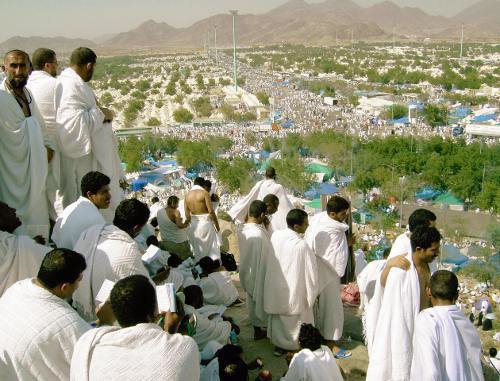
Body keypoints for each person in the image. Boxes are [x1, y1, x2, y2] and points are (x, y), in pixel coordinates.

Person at [71, 275, 200, 381]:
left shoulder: (87, 343)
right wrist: (170, 330)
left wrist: (102, 321)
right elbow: (173, 360)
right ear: (155, 312)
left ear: (115, 313)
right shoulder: (186, 347)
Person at [0, 249, 98, 380]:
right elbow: (93, 364)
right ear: (64, 287)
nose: (79, 285)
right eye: (79, 280)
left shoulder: (17, 288)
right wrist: (105, 322)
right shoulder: (69, 324)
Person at [55, 47, 124, 220]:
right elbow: (73, 125)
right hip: (82, 159)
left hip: (89, 157)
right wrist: (102, 114)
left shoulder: (77, 84)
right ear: (89, 65)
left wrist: (101, 112)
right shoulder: (71, 86)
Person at [365, 226, 442, 381]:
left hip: (423, 329)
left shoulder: (429, 266)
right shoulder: (400, 272)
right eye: (434, 250)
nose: (437, 254)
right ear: (419, 249)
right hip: (402, 332)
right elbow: (394, 313)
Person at [72, 198, 152, 322]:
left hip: (82, 308)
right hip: (107, 317)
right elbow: (145, 289)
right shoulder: (127, 249)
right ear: (136, 228)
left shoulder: (91, 232)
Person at [0, 50, 50, 232]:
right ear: (4, 68)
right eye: (13, 66)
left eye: (23, 65)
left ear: (29, 68)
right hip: (10, 181)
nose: (18, 70)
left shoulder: (29, 95)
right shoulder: (1, 99)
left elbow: (39, 129)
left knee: (40, 233)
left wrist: (44, 152)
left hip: (35, 178)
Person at [410, 270, 484, 381]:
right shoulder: (468, 324)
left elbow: (428, 373)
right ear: (457, 294)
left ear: (428, 291)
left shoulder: (428, 319)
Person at [264, 209, 319, 354]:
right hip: (295, 290)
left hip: (276, 288)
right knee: (297, 320)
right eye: (305, 224)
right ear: (296, 226)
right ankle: (295, 346)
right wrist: (312, 293)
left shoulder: (276, 236)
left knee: (279, 319)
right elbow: (311, 273)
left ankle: (279, 345)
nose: (308, 226)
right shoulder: (302, 245)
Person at [306, 196, 352, 354]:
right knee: (332, 308)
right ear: (332, 214)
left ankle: (323, 335)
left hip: (321, 269)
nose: (345, 216)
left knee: (324, 306)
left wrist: (346, 243)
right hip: (328, 270)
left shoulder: (319, 219)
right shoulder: (330, 228)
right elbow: (329, 251)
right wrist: (347, 243)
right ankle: (330, 342)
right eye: (343, 214)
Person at [27, 48, 62, 220]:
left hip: (34, 149)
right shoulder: (55, 85)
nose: (57, 67)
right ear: (48, 65)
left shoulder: (25, 86)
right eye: (56, 63)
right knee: (58, 195)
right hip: (54, 146)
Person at [0, 201, 51, 296]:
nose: (13, 210)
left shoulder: (17, 243)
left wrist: (32, 244)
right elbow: (52, 260)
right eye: (7, 209)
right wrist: (32, 245)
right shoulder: (16, 244)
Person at [237, 200, 271, 339]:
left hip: (246, 270)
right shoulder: (258, 235)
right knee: (261, 301)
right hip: (258, 271)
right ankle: (267, 330)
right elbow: (266, 255)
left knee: (251, 301)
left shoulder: (242, 229)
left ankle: (257, 330)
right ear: (262, 214)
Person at [51, 171, 110, 250]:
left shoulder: (70, 209)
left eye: (108, 191)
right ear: (89, 195)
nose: (109, 196)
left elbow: (55, 239)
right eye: (104, 192)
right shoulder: (96, 220)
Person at [229, 167, 293, 231]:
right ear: (275, 175)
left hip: (260, 214)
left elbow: (251, 196)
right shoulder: (278, 187)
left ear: (265, 175)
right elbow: (285, 204)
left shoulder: (260, 184)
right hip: (273, 216)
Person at [183, 285, 232, 350]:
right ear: (197, 299)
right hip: (200, 346)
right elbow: (211, 330)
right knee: (226, 324)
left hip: (193, 342)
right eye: (201, 296)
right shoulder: (192, 314)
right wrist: (228, 325)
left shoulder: (187, 309)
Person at [185, 177, 221, 262]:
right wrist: (217, 225)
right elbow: (211, 211)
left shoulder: (187, 195)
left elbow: (187, 214)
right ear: (203, 184)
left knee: (199, 251)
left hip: (194, 226)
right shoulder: (204, 193)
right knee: (212, 251)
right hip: (206, 225)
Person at [157, 195, 192, 260]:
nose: (178, 206)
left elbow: (168, 223)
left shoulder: (159, 212)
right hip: (179, 242)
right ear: (173, 203)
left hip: (166, 242)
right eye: (177, 204)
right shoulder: (175, 212)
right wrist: (186, 223)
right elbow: (180, 225)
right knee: (185, 262)